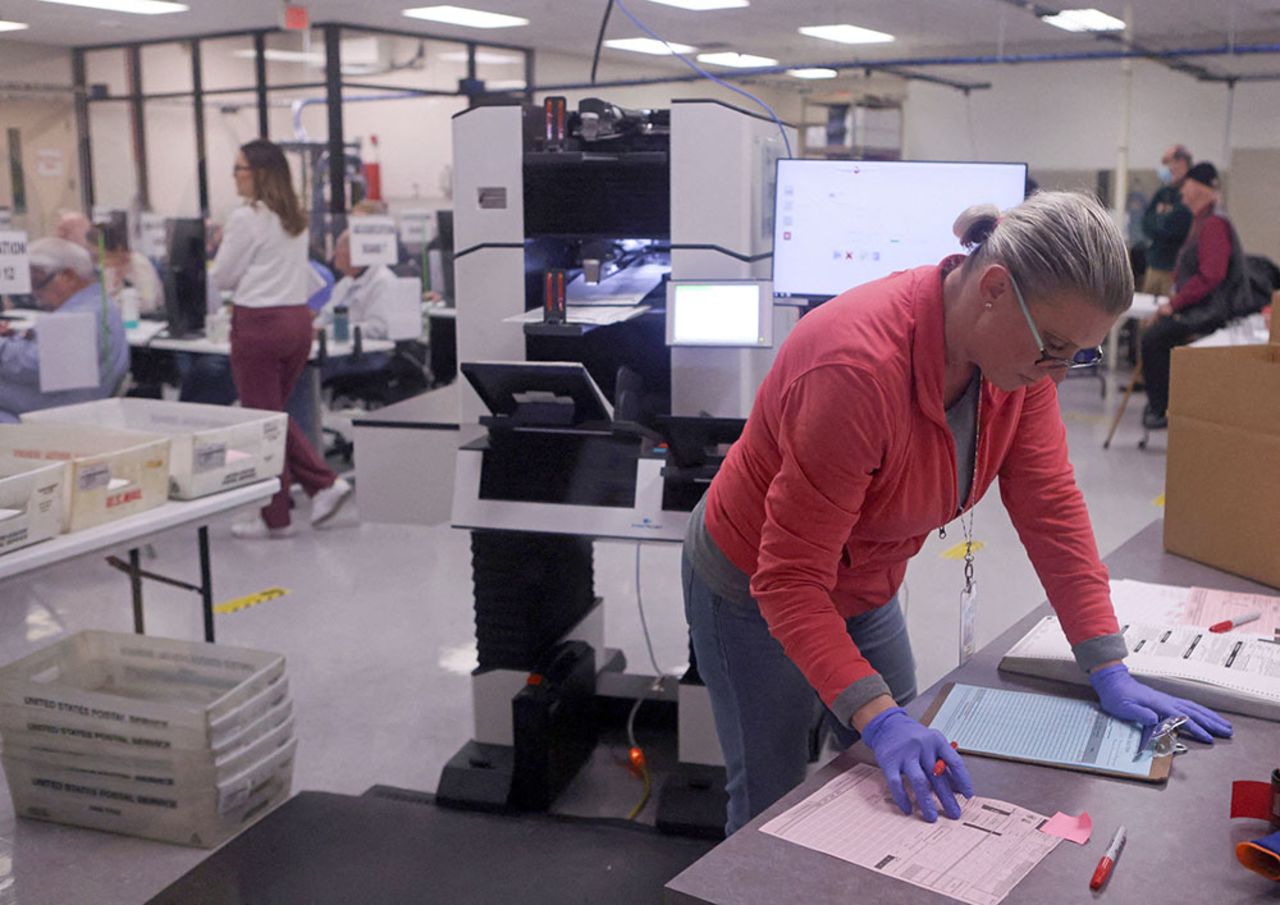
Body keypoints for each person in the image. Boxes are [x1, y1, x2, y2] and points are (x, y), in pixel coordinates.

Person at [682, 191, 1234, 836]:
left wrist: (1105, 660)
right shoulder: (854, 368)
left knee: (897, 770)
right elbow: (790, 581)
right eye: (1054, 347)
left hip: (866, 581)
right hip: (752, 584)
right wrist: (879, 718)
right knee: (770, 796)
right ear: (994, 288)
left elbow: (1050, 508)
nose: (1056, 376)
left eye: (1077, 355)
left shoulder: (1016, 368)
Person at [209, 138, 352, 539]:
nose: (235, 177)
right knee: (274, 417)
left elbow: (222, 277)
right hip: (296, 323)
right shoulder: (294, 217)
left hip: (259, 324)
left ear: (259, 173)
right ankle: (316, 488)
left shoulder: (246, 217)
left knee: (264, 422)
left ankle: (283, 513)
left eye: (239, 168)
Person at [1140, 161, 1248, 430]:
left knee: (1155, 337)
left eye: (1186, 186)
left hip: (1212, 311)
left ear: (1198, 188)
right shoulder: (1203, 221)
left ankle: (1162, 408)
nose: (1182, 193)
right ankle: (1162, 402)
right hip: (1202, 306)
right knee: (1155, 331)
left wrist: (1174, 304)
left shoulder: (1212, 224)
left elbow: (1211, 275)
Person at [0, 238, 129, 422]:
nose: (35, 295)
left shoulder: (82, 316)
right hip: (67, 406)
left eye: (38, 283)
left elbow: (33, 366)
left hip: (48, 418)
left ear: (67, 276)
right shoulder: (97, 305)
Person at [316, 229, 399, 341]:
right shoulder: (346, 282)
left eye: (338, 251)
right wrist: (313, 330)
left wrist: (330, 333)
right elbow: (326, 314)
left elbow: (379, 328)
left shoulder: (383, 281)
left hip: (368, 353)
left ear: (353, 254)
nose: (334, 256)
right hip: (338, 349)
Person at [1140, 145, 1193, 297]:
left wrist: (1160, 217)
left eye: (1168, 163)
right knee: (1145, 315)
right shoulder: (1163, 193)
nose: (1164, 169)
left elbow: (1179, 227)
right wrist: (1164, 219)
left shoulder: (1189, 192)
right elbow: (1146, 224)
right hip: (1155, 265)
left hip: (1176, 268)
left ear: (1182, 164)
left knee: (1169, 315)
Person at [101, 222, 164, 316]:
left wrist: (116, 303)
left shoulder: (139, 264)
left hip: (146, 320)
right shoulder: (110, 268)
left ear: (119, 249)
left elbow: (148, 304)